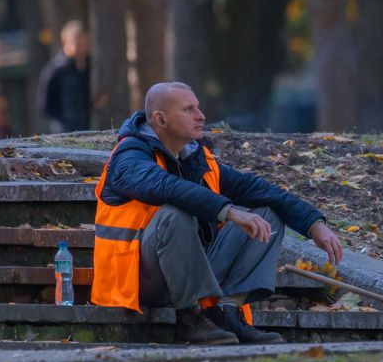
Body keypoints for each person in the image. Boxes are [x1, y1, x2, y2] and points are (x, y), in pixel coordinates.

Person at [92, 82, 344, 345]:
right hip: (140, 281)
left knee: (268, 213)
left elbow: (256, 188)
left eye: (198, 107)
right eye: (188, 109)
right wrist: (229, 211)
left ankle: (226, 311)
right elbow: (167, 187)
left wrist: (314, 223)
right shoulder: (128, 157)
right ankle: (190, 319)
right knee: (173, 215)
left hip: (190, 271)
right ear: (161, 119)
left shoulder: (196, 158)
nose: (200, 115)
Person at [37, 20, 91, 132]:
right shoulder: (55, 70)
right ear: (65, 42)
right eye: (78, 43)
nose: (82, 47)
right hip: (64, 132)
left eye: (84, 43)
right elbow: (44, 105)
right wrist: (64, 120)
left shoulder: (90, 66)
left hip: (87, 128)